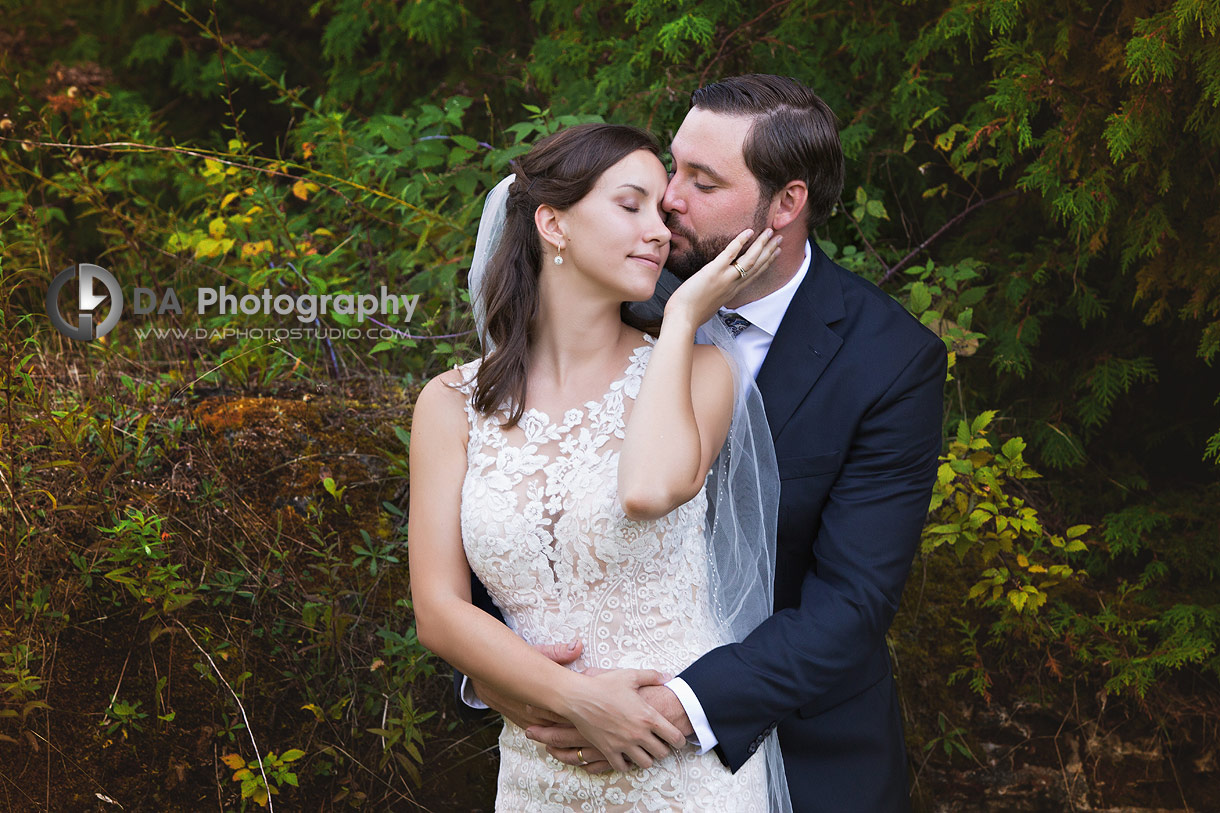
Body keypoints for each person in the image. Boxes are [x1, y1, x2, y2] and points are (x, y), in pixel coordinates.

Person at [500, 75, 948, 812]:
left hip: (809, 751)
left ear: (787, 203)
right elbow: (504, 489)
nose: (668, 198)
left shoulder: (890, 362)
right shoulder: (613, 293)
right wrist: (503, 675)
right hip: (569, 736)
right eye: (674, 165)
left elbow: (852, 598)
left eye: (702, 181)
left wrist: (675, 708)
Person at [408, 122, 790, 810]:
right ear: (553, 224)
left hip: (677, 760)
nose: (659, 231)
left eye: (661, 212)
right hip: (539, 764)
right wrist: (573, 698)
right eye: (630, 204)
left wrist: (680, 319)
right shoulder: (447, 404)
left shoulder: (703, 371)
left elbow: (647, 490)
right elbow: (438, 611)